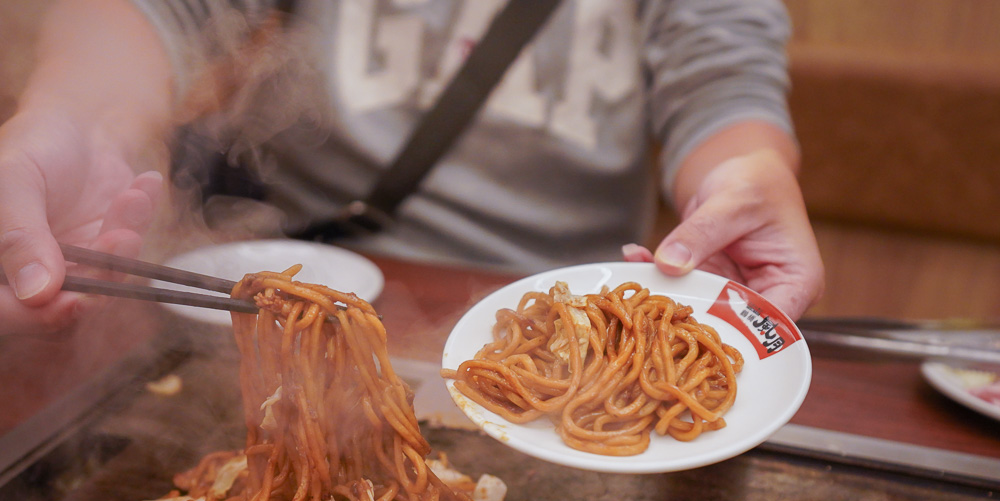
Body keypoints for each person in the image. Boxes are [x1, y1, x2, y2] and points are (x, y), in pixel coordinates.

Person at [0, 0, 824, 337]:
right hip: (302, 302)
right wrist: (68, 119)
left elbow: (722, 77)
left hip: (562, 322)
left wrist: (744, 174)